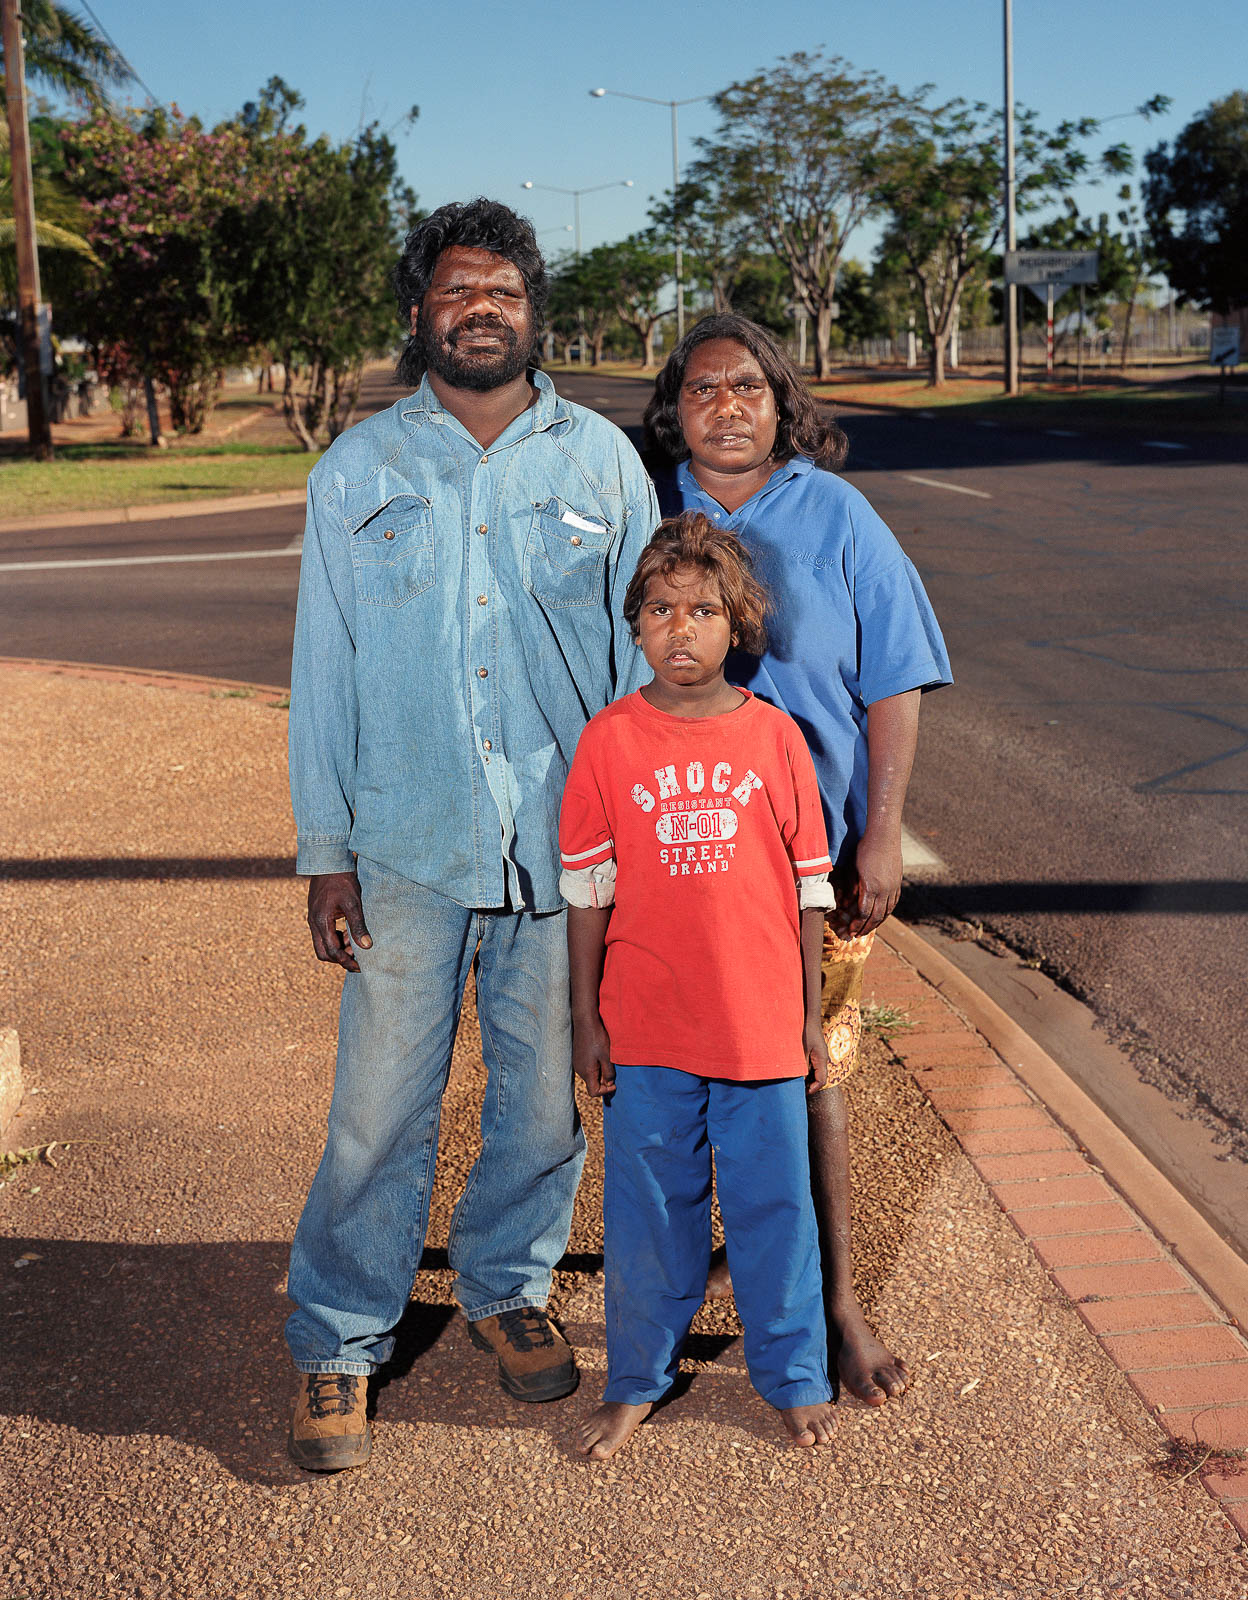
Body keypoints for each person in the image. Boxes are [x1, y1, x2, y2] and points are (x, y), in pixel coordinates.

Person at [284, 198, 658, 1471]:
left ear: (531, 311)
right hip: (403, 843)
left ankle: (506, 1283)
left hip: (568, 851)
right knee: (378, 1108)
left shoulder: (603, 466)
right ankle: (338, 1338)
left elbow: (642, 668)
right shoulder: (357, 472)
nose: (481, 308)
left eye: (502, 289)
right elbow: (323, 669)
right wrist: (323, 848)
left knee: (542, 1101)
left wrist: (642, 853)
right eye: (457, 290)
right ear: (419, 313)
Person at [644, 314, 952, 1408]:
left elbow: (895, 678)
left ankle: (834, 1303)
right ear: (671, 408)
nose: (724, 407)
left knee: (806, 1071)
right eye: (699, 390)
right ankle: (681, 1288)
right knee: (670, 1076)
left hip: (807, 863)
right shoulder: (644, 516)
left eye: (746, 388)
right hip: (675, 856)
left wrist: (879, 833)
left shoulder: (836, 513)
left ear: (782, 402)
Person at [561, 512, 841, 1461]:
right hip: (645, 1028)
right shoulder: (607, 743)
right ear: (634, 625)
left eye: (704, 610)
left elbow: (809, 892)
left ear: (738, 624)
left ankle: (794, 1375)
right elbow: (587, 897)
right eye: (660, 610)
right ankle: (636, 1376)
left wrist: (809, 1019)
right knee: (646, 1212)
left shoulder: (775, 741)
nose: (682, 629)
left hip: (760, 1025)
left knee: (775, 1208)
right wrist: (584, 1020)